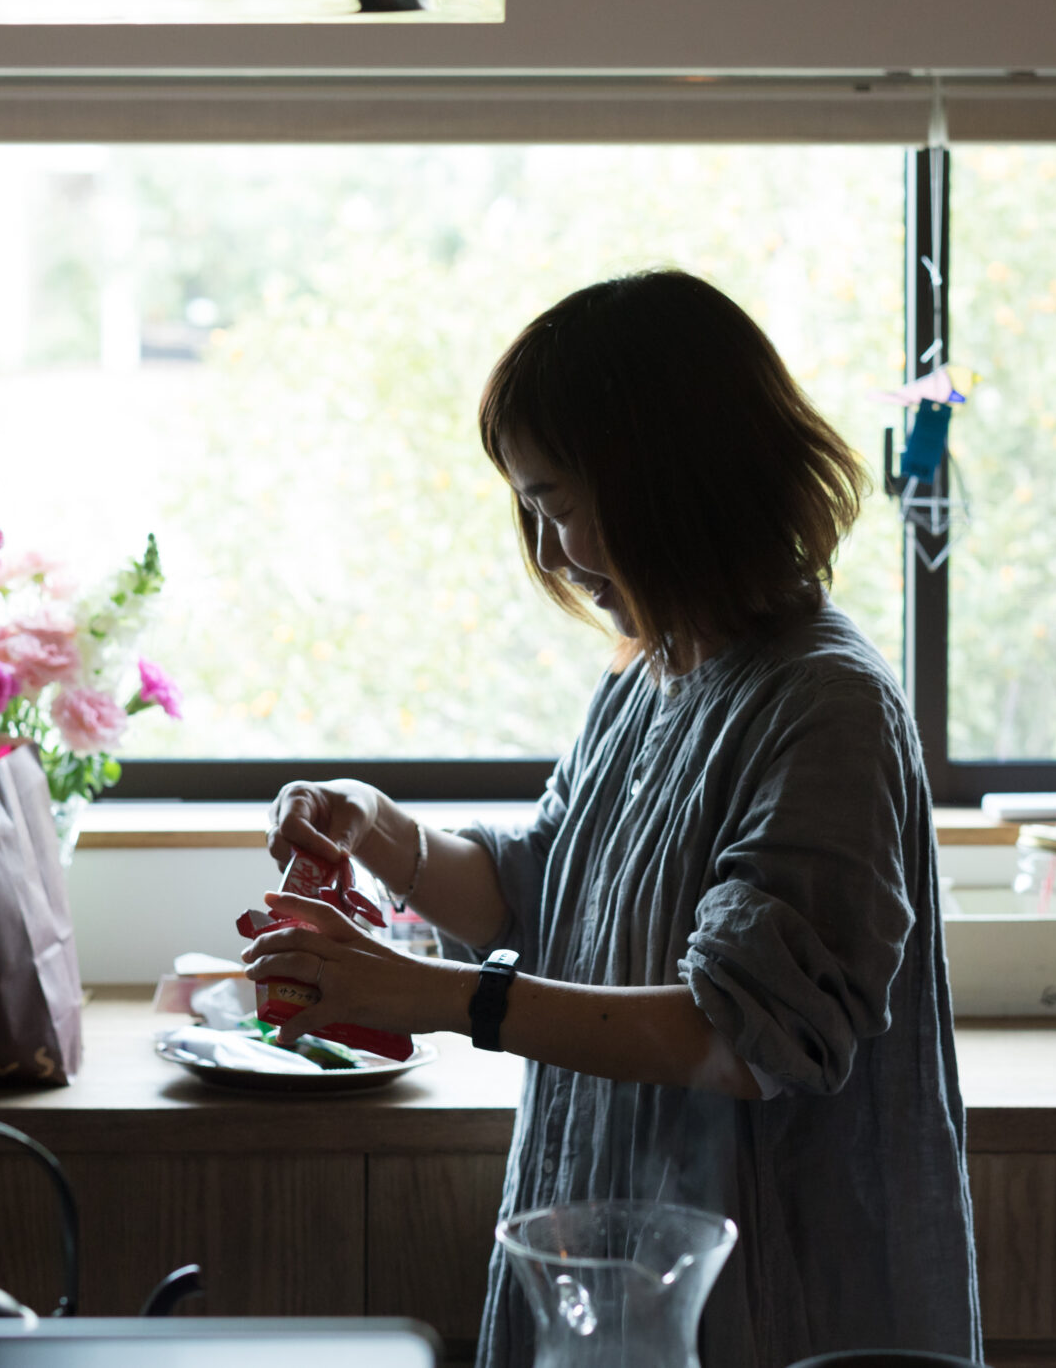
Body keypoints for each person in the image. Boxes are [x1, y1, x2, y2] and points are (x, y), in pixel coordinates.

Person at [252, 270, 981, 1368]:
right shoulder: (656, 673)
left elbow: (737, 1034)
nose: (548, 557)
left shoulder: (826, 705)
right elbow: (539, 891)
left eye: (556, 507)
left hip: (775, 1292)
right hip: (622, 1255)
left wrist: (428, 996)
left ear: (670, 486)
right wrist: (379, 833)